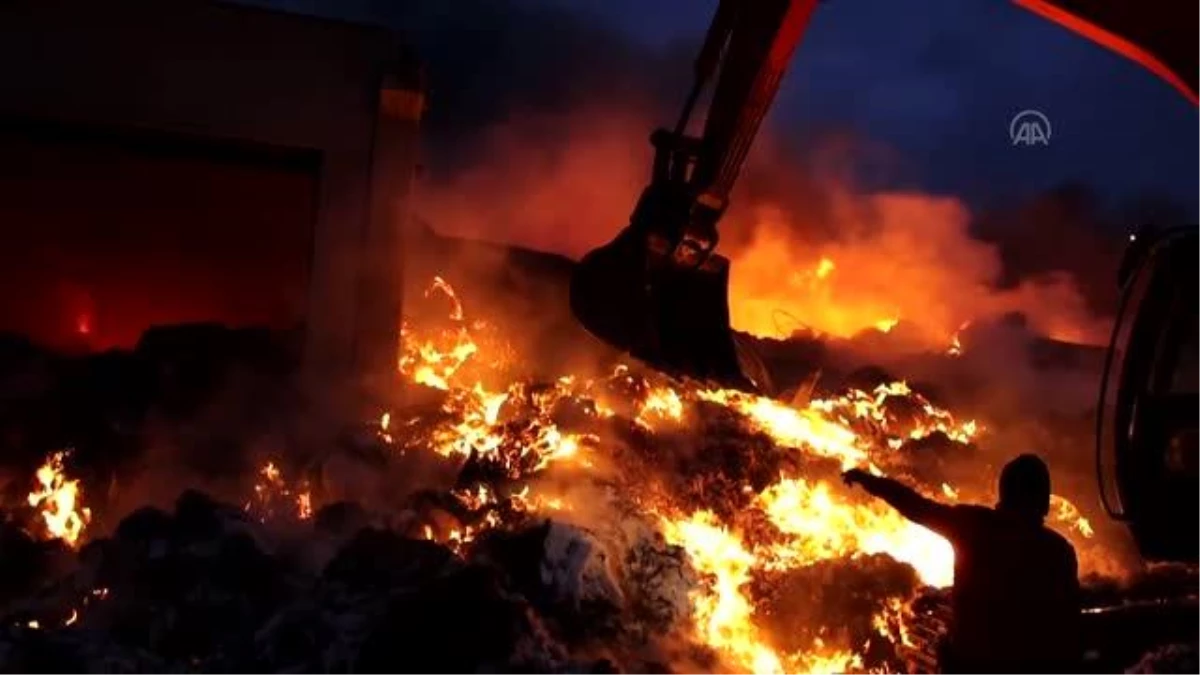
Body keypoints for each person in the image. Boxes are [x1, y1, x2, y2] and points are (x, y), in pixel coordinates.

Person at [843, 454, 1081, 674]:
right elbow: (1067, 628)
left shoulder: (973, 525)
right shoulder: (1058, 551)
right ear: (1043, 501)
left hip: (969, 664)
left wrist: (869, 481)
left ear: (1004, 493)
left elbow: (916, 507)